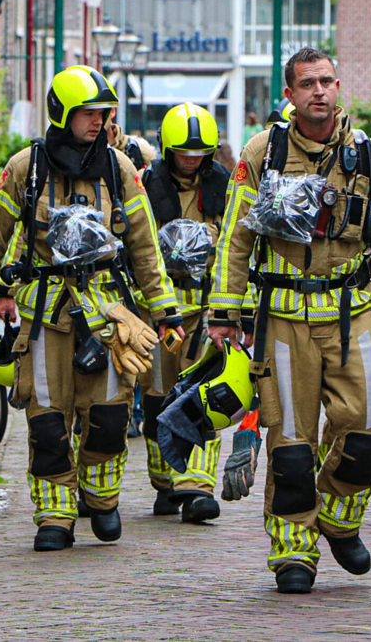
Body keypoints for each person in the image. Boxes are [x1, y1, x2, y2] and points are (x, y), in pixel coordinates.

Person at [209, 47, 371, 594]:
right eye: (308, 84)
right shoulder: (263, 152)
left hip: (352, 314)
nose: (320, 92)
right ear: (290, 94)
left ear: (338, 86)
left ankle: (338, 518)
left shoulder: (368, 155)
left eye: (327, 81)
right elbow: (235, 237)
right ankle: (293, 551)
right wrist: (224, 311)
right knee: (291, 442)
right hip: (283, 320)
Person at [0, 65, 183, 552]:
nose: (99, 122)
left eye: (103, 113)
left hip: (107, 315)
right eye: (88, 113)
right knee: (47, 421)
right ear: (62, 114)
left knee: (108, 417)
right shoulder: (26, 168)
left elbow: (145, 245)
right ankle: (55, 515)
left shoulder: (119, 169)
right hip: (46, 317)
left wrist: (165, 311)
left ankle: (101, 500)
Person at [137, 103, 237, 523]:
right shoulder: (145, 184)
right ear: (167, 150)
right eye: (184, 153)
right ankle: (166, 482)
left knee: (202, 395)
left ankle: (196, 487)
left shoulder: (224, 185)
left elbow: (235, 243)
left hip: (206, 309)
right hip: (159, 311)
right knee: (158, 397)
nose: (192, 160)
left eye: (199, 153)